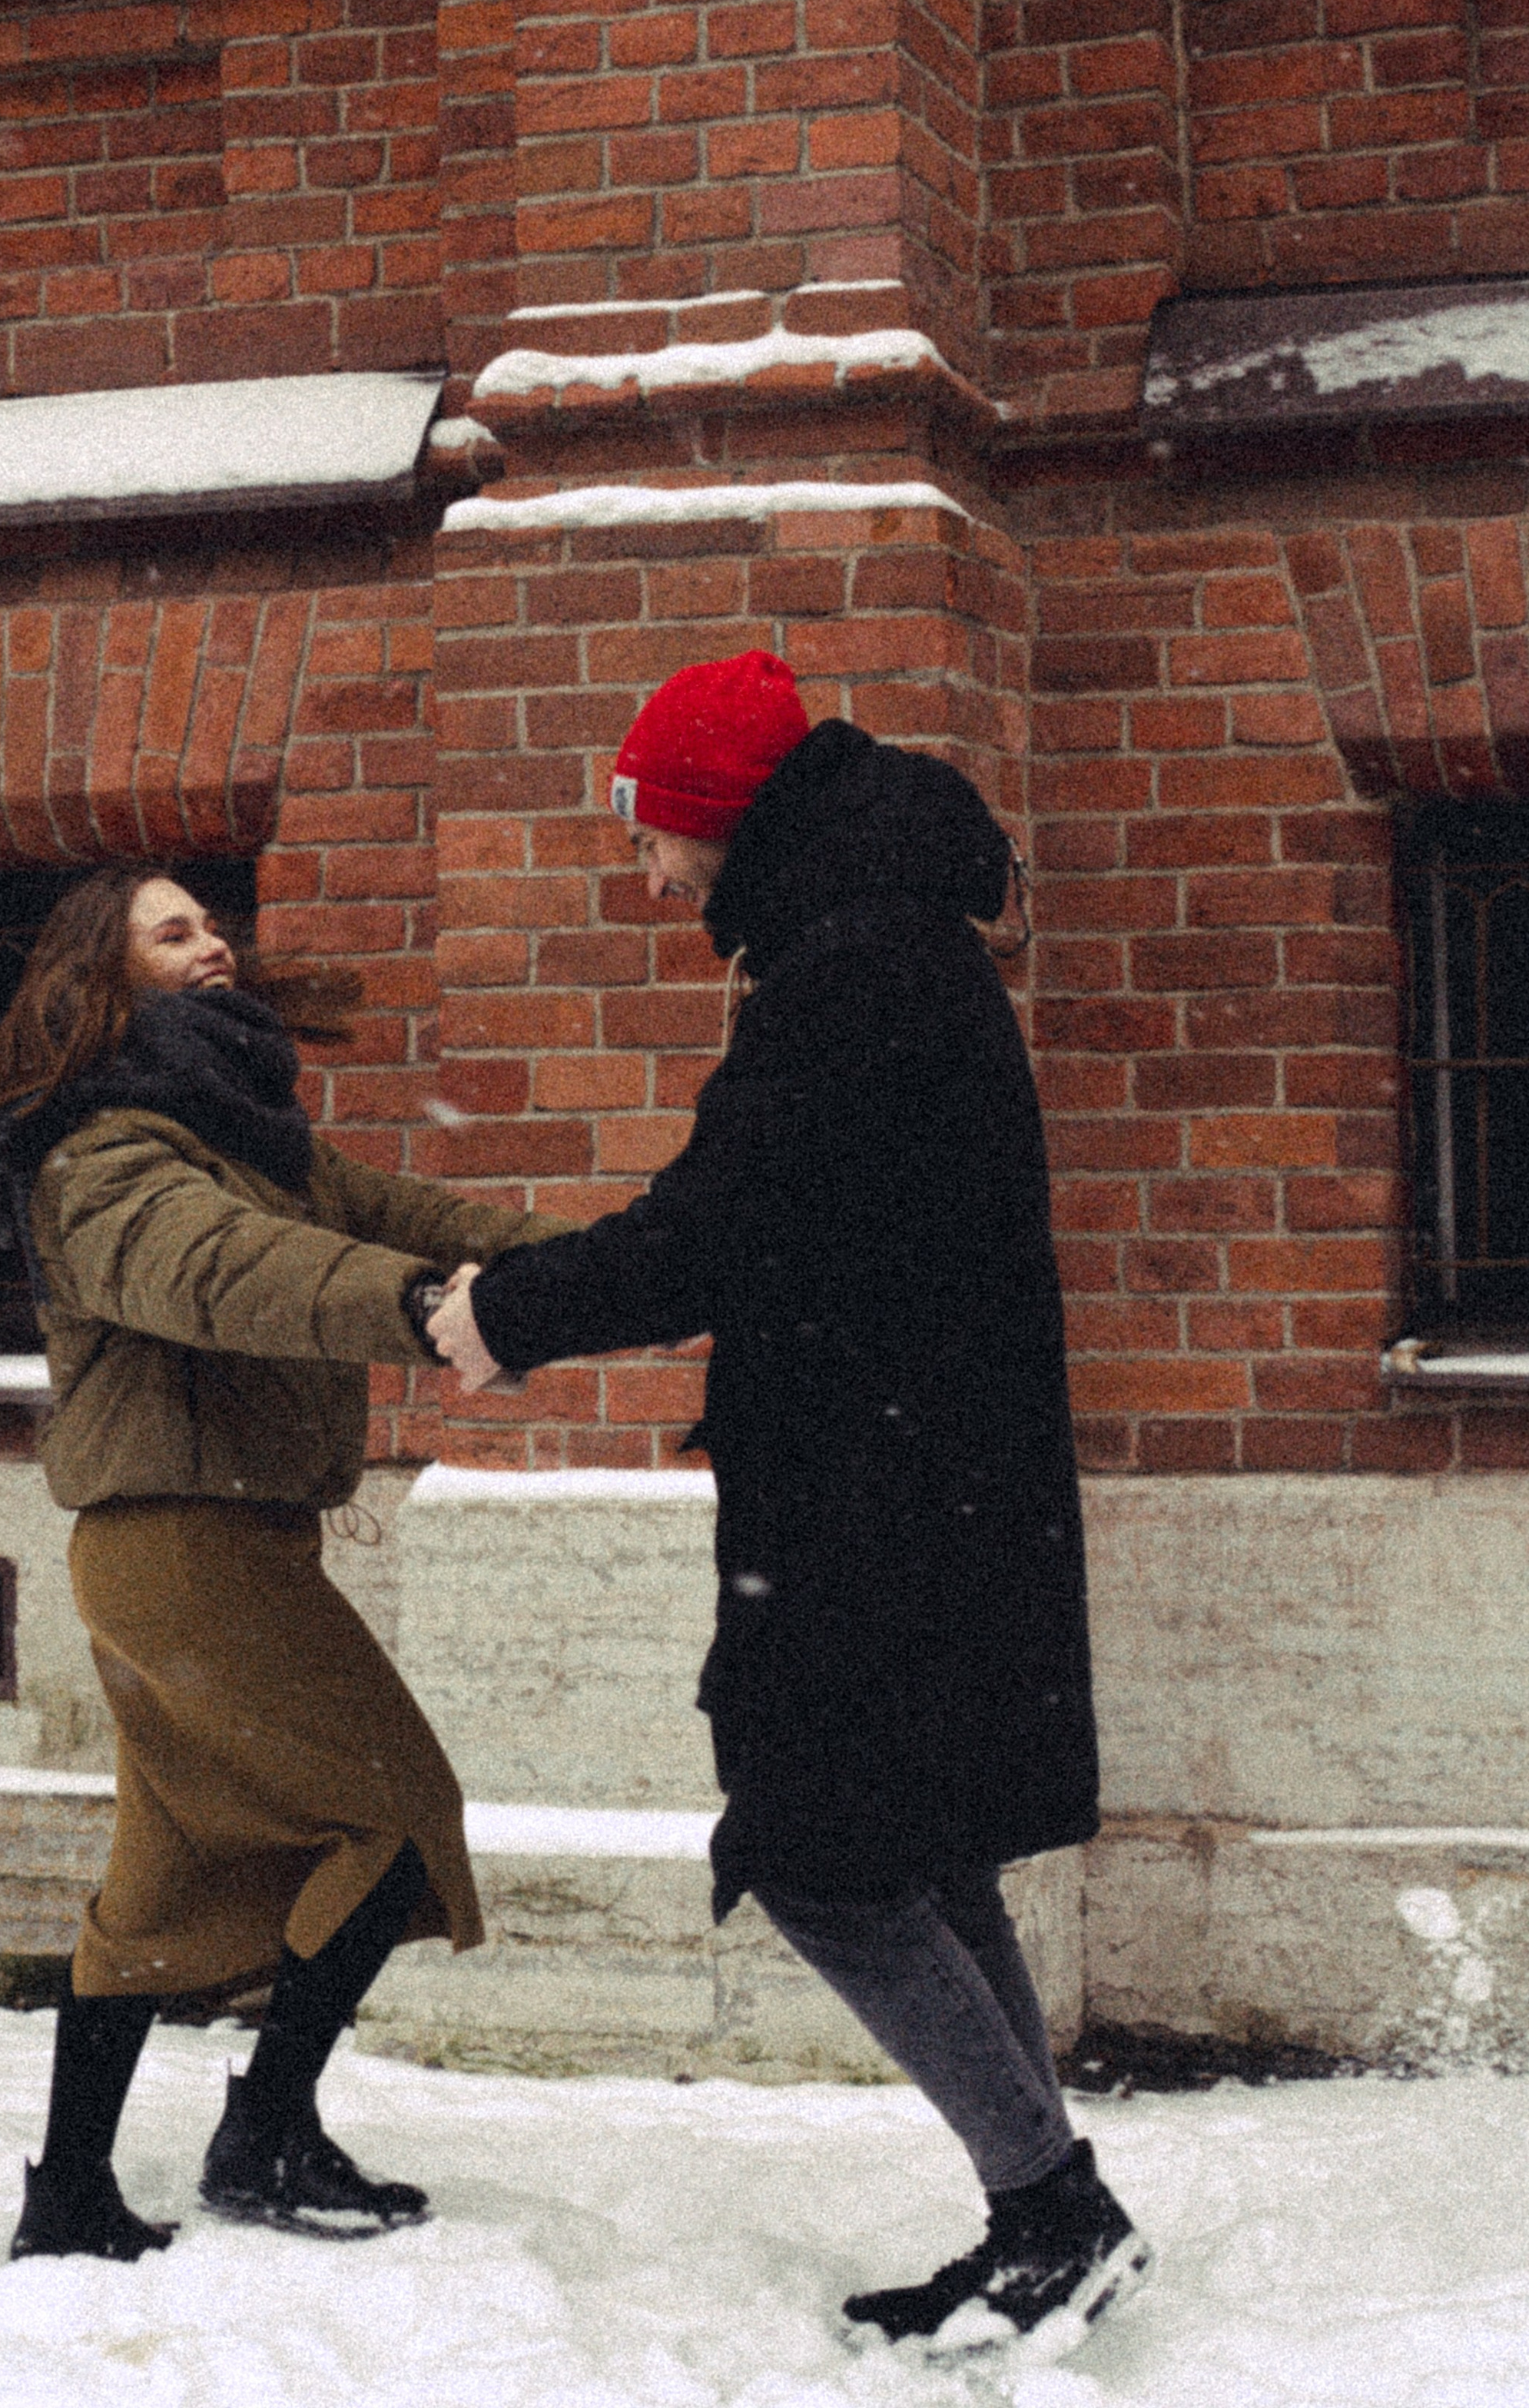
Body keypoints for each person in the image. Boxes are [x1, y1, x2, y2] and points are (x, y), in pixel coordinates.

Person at [430, 651, 1150, 2357]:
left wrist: (503, 1317)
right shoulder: (869, 936)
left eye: (649, 824)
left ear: (717, 810)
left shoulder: (853, 965)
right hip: (916, 1476)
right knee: (912, 1835)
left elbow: (714, 1227)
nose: (640, 865)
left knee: (822, 1852)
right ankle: (1042, 2206)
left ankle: (1052, 2209)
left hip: (882, 1496)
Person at [0, 864, 564, 2262]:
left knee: (160, 1892)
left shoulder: (248, 1141)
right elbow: (234, 1271)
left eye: (213, 921)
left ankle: (69, 2196)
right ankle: (266, 2135)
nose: (214, 943)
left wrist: (619, 1266)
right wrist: (422, 1313)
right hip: (182, 1552)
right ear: (99, 980)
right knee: (396, 1813)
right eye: (173, 932)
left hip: (214, 1549)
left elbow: (417, 1219)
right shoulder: (97, 1156)